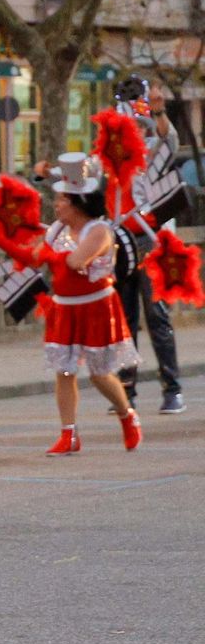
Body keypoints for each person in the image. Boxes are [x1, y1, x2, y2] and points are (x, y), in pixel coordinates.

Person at [38, 153, 143, 455]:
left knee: (99, 373)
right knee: (65, 371)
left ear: (77, 203)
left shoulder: (98, 231)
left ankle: (127, 415)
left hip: (95, 306)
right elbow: (38, 254)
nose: (56, 204)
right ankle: (68, 434)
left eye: (60, 200)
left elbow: (74, 261)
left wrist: (46, 256)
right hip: (64, 306)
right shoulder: (57, 229)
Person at [115, 81, 185, 414]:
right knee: (124, 320)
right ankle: (125, 392)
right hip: (120, 241)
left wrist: (155, 110)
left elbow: (169, 139)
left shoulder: (154, 150)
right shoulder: (112, 161)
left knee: (156, 316)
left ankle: (172, 388)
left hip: (151, 240)